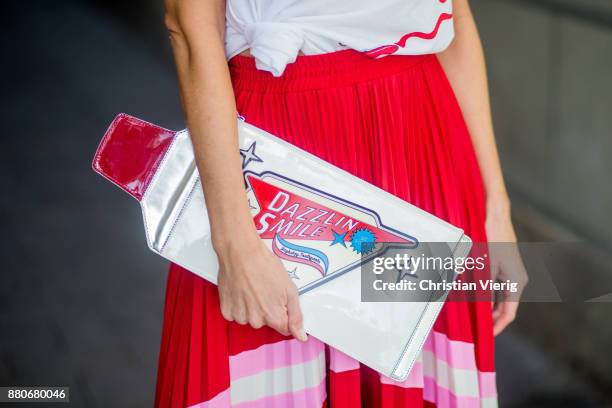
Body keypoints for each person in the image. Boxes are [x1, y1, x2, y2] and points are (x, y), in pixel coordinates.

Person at [156, 0, 528, 406]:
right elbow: (190, 28)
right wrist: (234, 244)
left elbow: (453, 16)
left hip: (420, 144)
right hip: (282, 152)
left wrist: (495, 208)